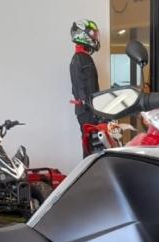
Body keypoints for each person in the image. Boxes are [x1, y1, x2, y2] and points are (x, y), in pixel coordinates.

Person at [69, 20, 101, 156]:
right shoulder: (81, 58)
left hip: (85, 109)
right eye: (92, 33)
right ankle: (90, 169)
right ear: (83, 34)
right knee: (92, 148)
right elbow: (85, 88)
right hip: (88, 110)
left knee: (90, 146)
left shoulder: (79, 57)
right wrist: (94, 110)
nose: (95, 37)